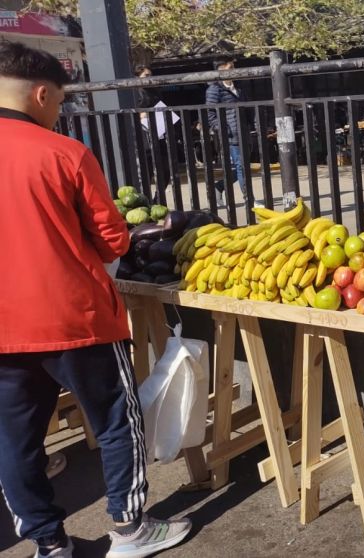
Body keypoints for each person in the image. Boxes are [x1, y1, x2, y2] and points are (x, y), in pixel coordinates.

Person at [0, 41, 191, 558]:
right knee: (114, 421)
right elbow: (113, 240)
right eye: (59, 103)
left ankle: (48, 545)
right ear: (41, 93)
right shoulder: (62, 153)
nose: (58, 112)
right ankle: (130, 531)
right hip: (74, 318)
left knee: (14, 441)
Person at [205, 57, 250, 206]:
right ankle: (248, 198)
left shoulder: (239, 87)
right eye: (230, 68)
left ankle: (219, 186)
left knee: (242, 166)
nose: (233, 70)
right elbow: (210, 113)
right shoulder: (214, 89)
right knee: (241, 165)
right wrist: (222, 127)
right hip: (230, 134)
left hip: (243, 131)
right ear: (221, 70)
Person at [135, 64, 170, 199]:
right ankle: (147, 200)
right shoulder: (134, 92)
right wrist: (141, 115)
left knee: (165, 169)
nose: (150, 79)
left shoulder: (155, 91)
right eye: (146, 76)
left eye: (151, 75)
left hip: (158, 132)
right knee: (146, 171)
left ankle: (158, 197)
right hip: (143, 135)